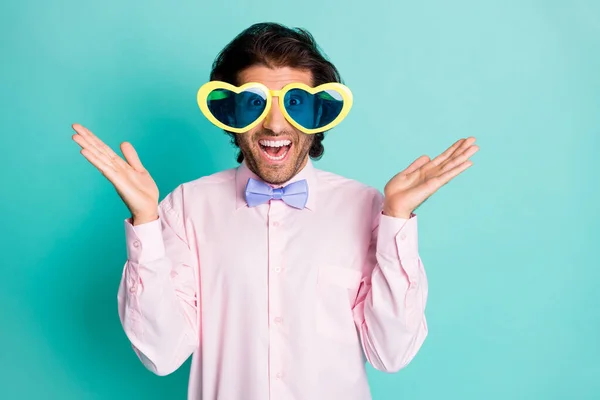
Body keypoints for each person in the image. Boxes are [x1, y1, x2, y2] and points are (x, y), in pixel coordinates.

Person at [71, 22, 478, 400]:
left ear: (318, 116)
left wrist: (398, 220)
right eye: (254, 104)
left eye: (296, 104)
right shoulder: (185, 208)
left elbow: (392, 353)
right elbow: (161, 354)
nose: (275, 124)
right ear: (230, 113)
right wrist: (145, 221)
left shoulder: (370, 209)